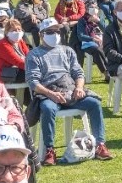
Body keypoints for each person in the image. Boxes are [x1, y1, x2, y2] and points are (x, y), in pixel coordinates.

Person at [27, 18, 111, 166]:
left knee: (94, 103)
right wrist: (50, 94)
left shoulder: (67, 51)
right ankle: (49, 150)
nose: (55, 34)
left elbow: (78, 73)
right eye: (50, 32)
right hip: (49, 93)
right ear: (41, 35)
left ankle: (100, 144)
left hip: (70, 90)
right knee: (47, 108)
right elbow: (33, 82)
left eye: (57, 31)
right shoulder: (34, 54)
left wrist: (79, 87)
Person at [0, 18, 30, 85]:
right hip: (4, 74)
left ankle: (28, 95)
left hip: (18, 69)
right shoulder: (3, 45)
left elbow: (29, 55)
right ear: (7, 32)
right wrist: (35, 68)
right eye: (14, 30)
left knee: (35, 73)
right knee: (34, 75)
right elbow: (18, 62)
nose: (17, 32)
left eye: (19, 29)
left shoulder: (20, 41)